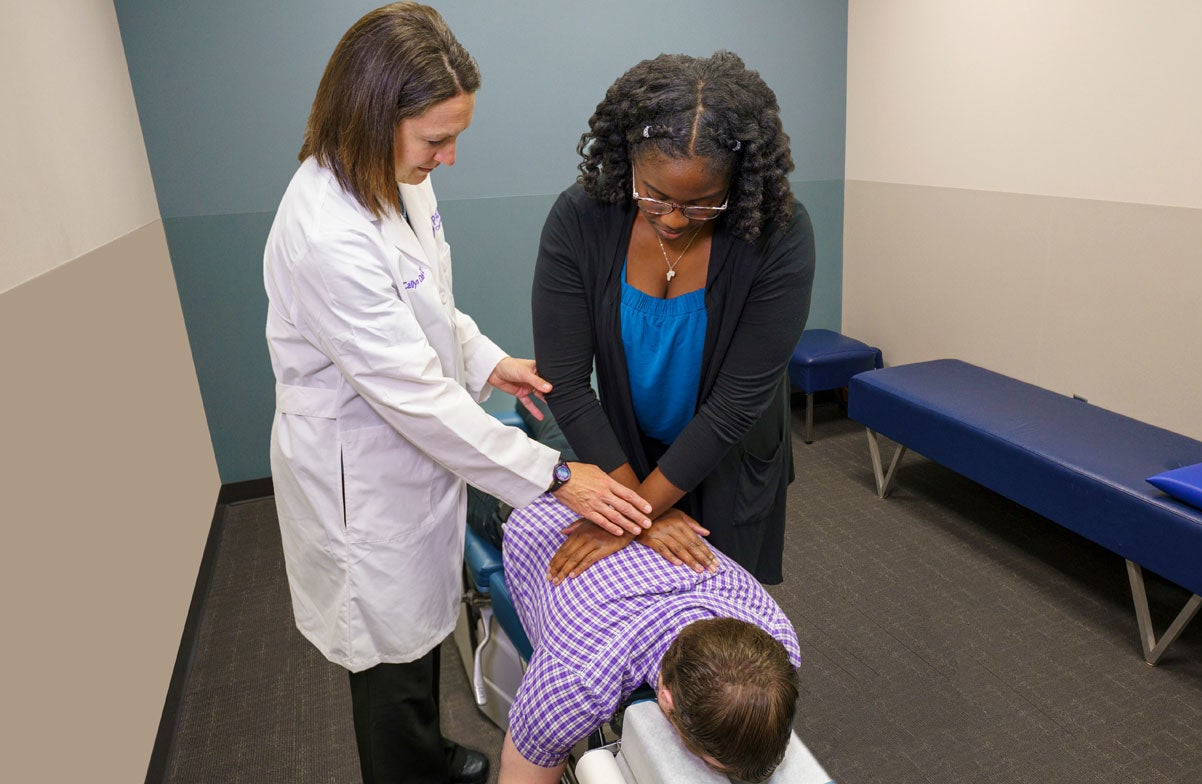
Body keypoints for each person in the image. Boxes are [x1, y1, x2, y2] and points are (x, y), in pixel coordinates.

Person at [262, 4, 652, 783]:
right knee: (387, 657)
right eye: (436, 140)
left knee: (419, 638)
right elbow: (415, 400)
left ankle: (429, 754)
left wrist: (484, 359)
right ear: (372, 118)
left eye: (455, 138)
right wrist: (554, 475)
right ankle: (406, 771)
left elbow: (429, 303)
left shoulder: (398, 178)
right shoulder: (326, 235)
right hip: (361, 482)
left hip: (409, 452)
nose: (448, 159)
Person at [532, 51, 815, 586]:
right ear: (628, 161)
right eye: (654, 197)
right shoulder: (581, 218)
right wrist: (639, 511)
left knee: (722, 607)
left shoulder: (778, 233)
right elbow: (566, 383)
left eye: (704, 203)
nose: (674, 219)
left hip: (728, 455)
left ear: (739, 183)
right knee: (626, 598)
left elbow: (733, 408)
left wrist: (630, 517)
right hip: (621, 450)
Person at [497, 495, 801, 783]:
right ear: (666, 700)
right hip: (523, 504)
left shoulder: (777, 634)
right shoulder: (578, 678)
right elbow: (523, 768)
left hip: (614, 489)